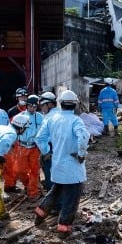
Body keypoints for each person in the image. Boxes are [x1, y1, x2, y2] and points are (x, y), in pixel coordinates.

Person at [34, 90, 90, 235]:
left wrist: (47, 151)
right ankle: (63, 229)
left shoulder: (52, 119)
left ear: (60, 103)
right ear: (75, 104)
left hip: (57, 165)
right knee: (71, 199)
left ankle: (39, 215)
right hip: (72, 169)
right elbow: (83, 138)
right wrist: (81, 154)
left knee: (55, 192)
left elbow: (39, 138)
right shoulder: (76, 120)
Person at [0, 114, 30, 228]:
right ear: (21, 127)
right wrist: (0, 156)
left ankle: (1, 212)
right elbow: (4, 144)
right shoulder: (11, 134)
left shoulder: (1, 127)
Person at [9, 95, 44, 200]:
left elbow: (45, 131)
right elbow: (11, 129)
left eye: (35, 106)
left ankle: (33, 192)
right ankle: (28, 185)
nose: (32, 108)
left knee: (35, 170)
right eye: (30, 106)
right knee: (19, 170)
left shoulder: (40, 117)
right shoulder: (20, 116)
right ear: (27, 105)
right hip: (22, 146)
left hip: (35, 147)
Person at [37, 91, 58, 192]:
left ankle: (55, 203)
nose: (41, 108)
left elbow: (39, 138)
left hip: (50, 151)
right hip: (63, 151)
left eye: (42, 105)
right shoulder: (64, 116)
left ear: (49, 104)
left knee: (50, 177)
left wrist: (46, 152)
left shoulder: (47, 118)